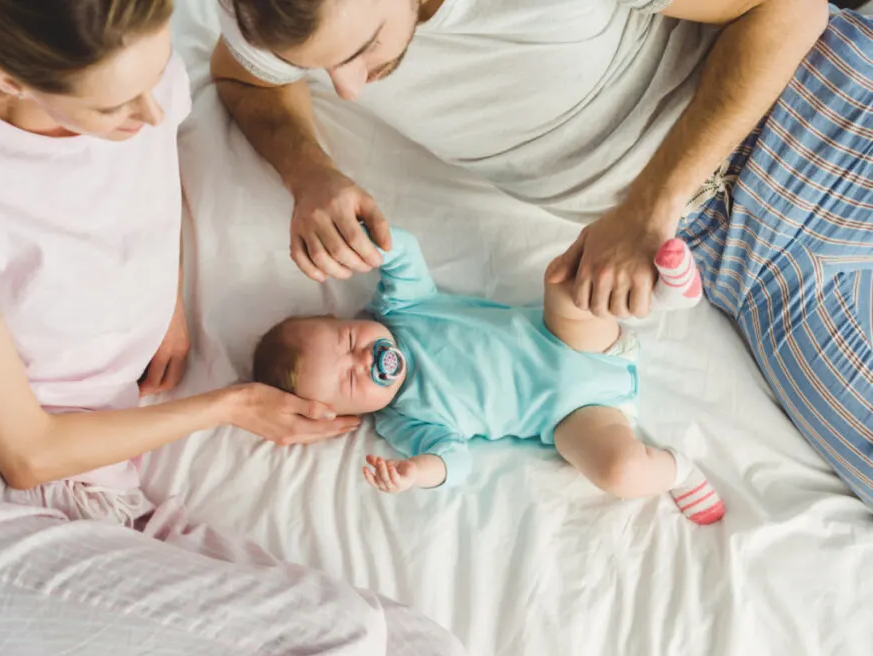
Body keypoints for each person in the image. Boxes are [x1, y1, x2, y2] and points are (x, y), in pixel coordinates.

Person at [0, 1, 472, 656]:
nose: (153, 115)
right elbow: (27, 454)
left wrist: (167, 306)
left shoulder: (141, 79)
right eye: (117, 107)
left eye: (156, 77)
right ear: (10, 80)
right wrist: (230, 405)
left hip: (110, 510)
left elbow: (148, 180)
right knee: (340, 636)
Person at [211, 1, 873, 508]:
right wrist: (310, 173)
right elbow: (244, 79)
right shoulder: (274, 13)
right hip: (734, 264)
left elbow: (792, 9)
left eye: (359, 50)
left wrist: (649, 203)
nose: (349, 87)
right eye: (321, 69)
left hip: (810, 122)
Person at [253, 226, 725, 523]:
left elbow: (405, 252)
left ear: (349, 318)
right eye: (352, 381)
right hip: (575, 416)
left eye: (350, 341)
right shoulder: (404, 421)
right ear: (347, 414)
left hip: (570, 338)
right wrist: (417, 472)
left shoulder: (401, 307)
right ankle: (678, 470)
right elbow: (454, 460)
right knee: (619, 472)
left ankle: (665, 296)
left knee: (563, 281)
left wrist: (368, 245)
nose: (364, 360)